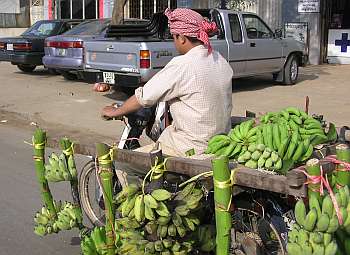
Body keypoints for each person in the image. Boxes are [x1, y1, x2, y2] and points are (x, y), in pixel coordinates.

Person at [101, 8, 233, 158]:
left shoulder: (183, 64)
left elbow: (144, 97)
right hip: (220, 143)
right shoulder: (219, 60)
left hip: (188, 148)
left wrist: (116, 111)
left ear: (182, 38)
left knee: (125, 162)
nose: (174, 42)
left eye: (174, 37)